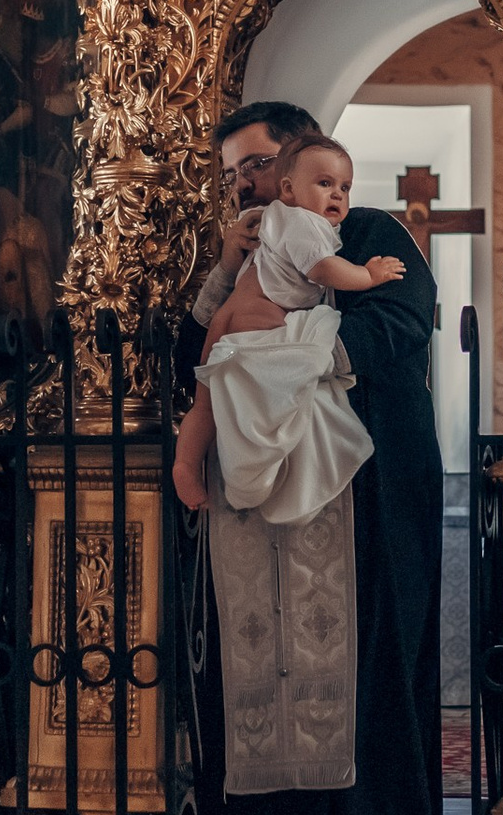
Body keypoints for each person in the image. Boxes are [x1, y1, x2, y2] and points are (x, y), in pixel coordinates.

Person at [192, 101, 442, 815]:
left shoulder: (367, 233)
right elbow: (200, 347)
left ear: (300, 160)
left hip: (361, 506)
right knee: (265, 698)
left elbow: (401, 326)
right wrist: (228, 275)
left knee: (358, 701)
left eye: (257, 164)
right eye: (234, 174)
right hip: (260, 516)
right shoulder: (246, 253)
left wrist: (282, 338)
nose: (246, 184)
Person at [173, 136, 404, 525]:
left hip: (225, 323)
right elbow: (322, 269)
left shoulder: (268, 223)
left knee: (206, 405)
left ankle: (185, 463)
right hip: (257, 322)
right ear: (289, 189)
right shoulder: (301, 220)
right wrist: (368, 274)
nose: (337, 195)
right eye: (325, 184)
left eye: (345, 187)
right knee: (274, 403)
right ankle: (258, 473)